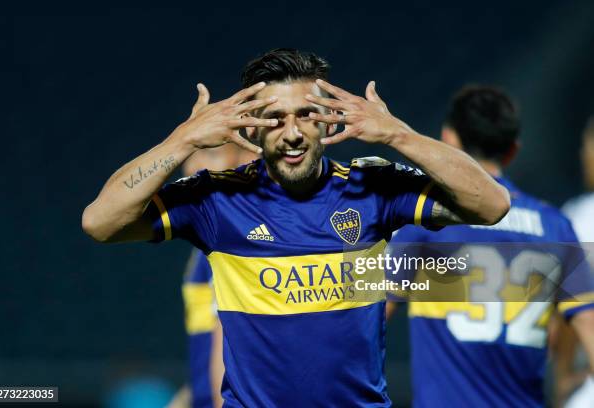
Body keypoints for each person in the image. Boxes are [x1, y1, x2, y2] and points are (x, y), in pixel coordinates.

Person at [82, 48, 509, 407]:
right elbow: (100, 222)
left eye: (306, 114)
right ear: (250, 127)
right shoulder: (216, 201)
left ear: (327, 121)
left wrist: (399, 135)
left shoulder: (372, 187)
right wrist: (182, 141)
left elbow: (491, 205)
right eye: (275, 118)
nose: (292, 133)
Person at [389, 86, 594, 407]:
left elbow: (368, 320)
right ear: (513, 150)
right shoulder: (556, 226)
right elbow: (589, 328)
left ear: (447, 139)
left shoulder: (427, 222)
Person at [170, 145, 258, 408]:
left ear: (248, 158)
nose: (191, 168)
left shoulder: (245, 239)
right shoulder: (210, 236)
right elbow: (212, 351)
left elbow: (232, 337)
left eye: (211, 154)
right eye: (190, 156)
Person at [553, 118, 594, 408]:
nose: (584, 154)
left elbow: (572, 309)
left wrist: (562, 376)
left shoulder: (582, 216)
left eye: (588, 143)